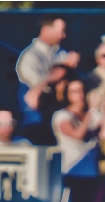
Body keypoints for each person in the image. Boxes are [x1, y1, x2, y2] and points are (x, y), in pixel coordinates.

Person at [52, 80, 105, 202]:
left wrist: (104, 107)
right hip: (71, 171)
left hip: (91, 173)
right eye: (75, 91)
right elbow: (77, 135)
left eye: (82, 90)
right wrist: (89, 114)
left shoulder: (92, 115)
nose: (80, 95)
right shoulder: (61, 116)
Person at [16, 15, 80, 143]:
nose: (63, 36)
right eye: (60, 31)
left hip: (57, 114)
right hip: (36, 118)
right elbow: (37, 86)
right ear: (45, 30)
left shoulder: (60, 52)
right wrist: (61, 69)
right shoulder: (30, 56)